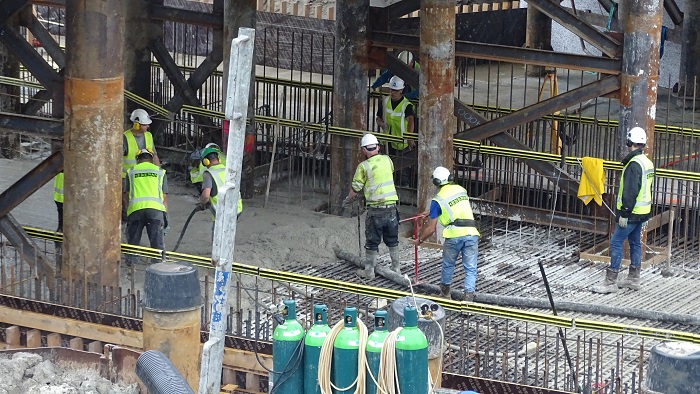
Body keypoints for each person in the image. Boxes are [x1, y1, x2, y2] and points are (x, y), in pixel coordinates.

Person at [591, 127, 654, 294]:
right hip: (642, 212)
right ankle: (634, 278)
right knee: (634, 242)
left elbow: (630, 192)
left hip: (631, 213)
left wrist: (624, 213)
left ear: (629, 142)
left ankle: (610, 282)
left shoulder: (633, 165)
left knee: (616, 242)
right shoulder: (647, 162)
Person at [409, 166, 480, 301]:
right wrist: (432, 211)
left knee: (448, 264)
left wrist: (419, 240)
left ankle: (445, 294)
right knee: (470, 268)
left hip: (454, 235)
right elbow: (456, 207)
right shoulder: (461, 190)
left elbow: (431, 229)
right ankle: (468, 301)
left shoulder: (437, 200)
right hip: (471, 233)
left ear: (436, 182)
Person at [343, 133, 401, 279]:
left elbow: (356, 189)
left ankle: (369, 271)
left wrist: (348, 200)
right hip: (392, 208)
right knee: (392, 239)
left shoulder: (364, 166)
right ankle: (396, 268)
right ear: (378, 147)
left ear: (363, 150)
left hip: (376, 210)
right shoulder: (387, 160)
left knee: (372, 240)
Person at [123, 148, 168, 263]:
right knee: (157, 244)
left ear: (138, 160)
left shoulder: (131, 171)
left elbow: (126, 194)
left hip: (136, 210)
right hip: (155, 210)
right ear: (151, 160)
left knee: (133, 243)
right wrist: (164, 216)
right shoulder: (160, 171)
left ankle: (131, 267)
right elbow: (164, 198)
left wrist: (128, 211)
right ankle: (158, 267)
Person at [197, 147, 242, 233]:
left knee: (218, 238)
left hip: (222, 212)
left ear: (205, 161)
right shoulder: (227, 170)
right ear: (219, 159)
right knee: (228, 234)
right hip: (236, 209)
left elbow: (206, 196)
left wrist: (202, 202)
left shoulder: (208, 174)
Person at [123, 109, 160, 179]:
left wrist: (159, 173)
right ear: (136, 125)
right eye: (145, 125)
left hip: (146, 176)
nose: (148, 126)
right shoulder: (125, 137)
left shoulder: (148, 135)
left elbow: (154, 155)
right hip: (129, 178)